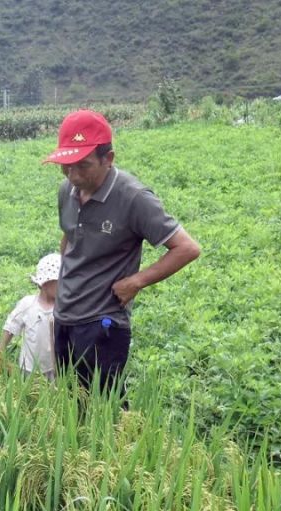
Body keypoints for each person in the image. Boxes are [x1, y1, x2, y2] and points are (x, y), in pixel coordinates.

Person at [43, 109, 201, 391]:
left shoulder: (134, 198)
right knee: (70, 402)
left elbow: (186, 248)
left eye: (83, 165)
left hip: (103, 321)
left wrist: (137, 281)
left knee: (103, 408)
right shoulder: (65, 190)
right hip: (64, 315)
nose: (73, 175)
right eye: (67, 166)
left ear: (109, 159)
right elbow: (69, 237)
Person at [0, 252, 61, 381]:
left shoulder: (63, 308)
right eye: (59, 282)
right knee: (28, 395)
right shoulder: (28, 304)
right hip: (28, 367)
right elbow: (11, 325)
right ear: (45, 283)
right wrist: (1, 348)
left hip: (54, 368)